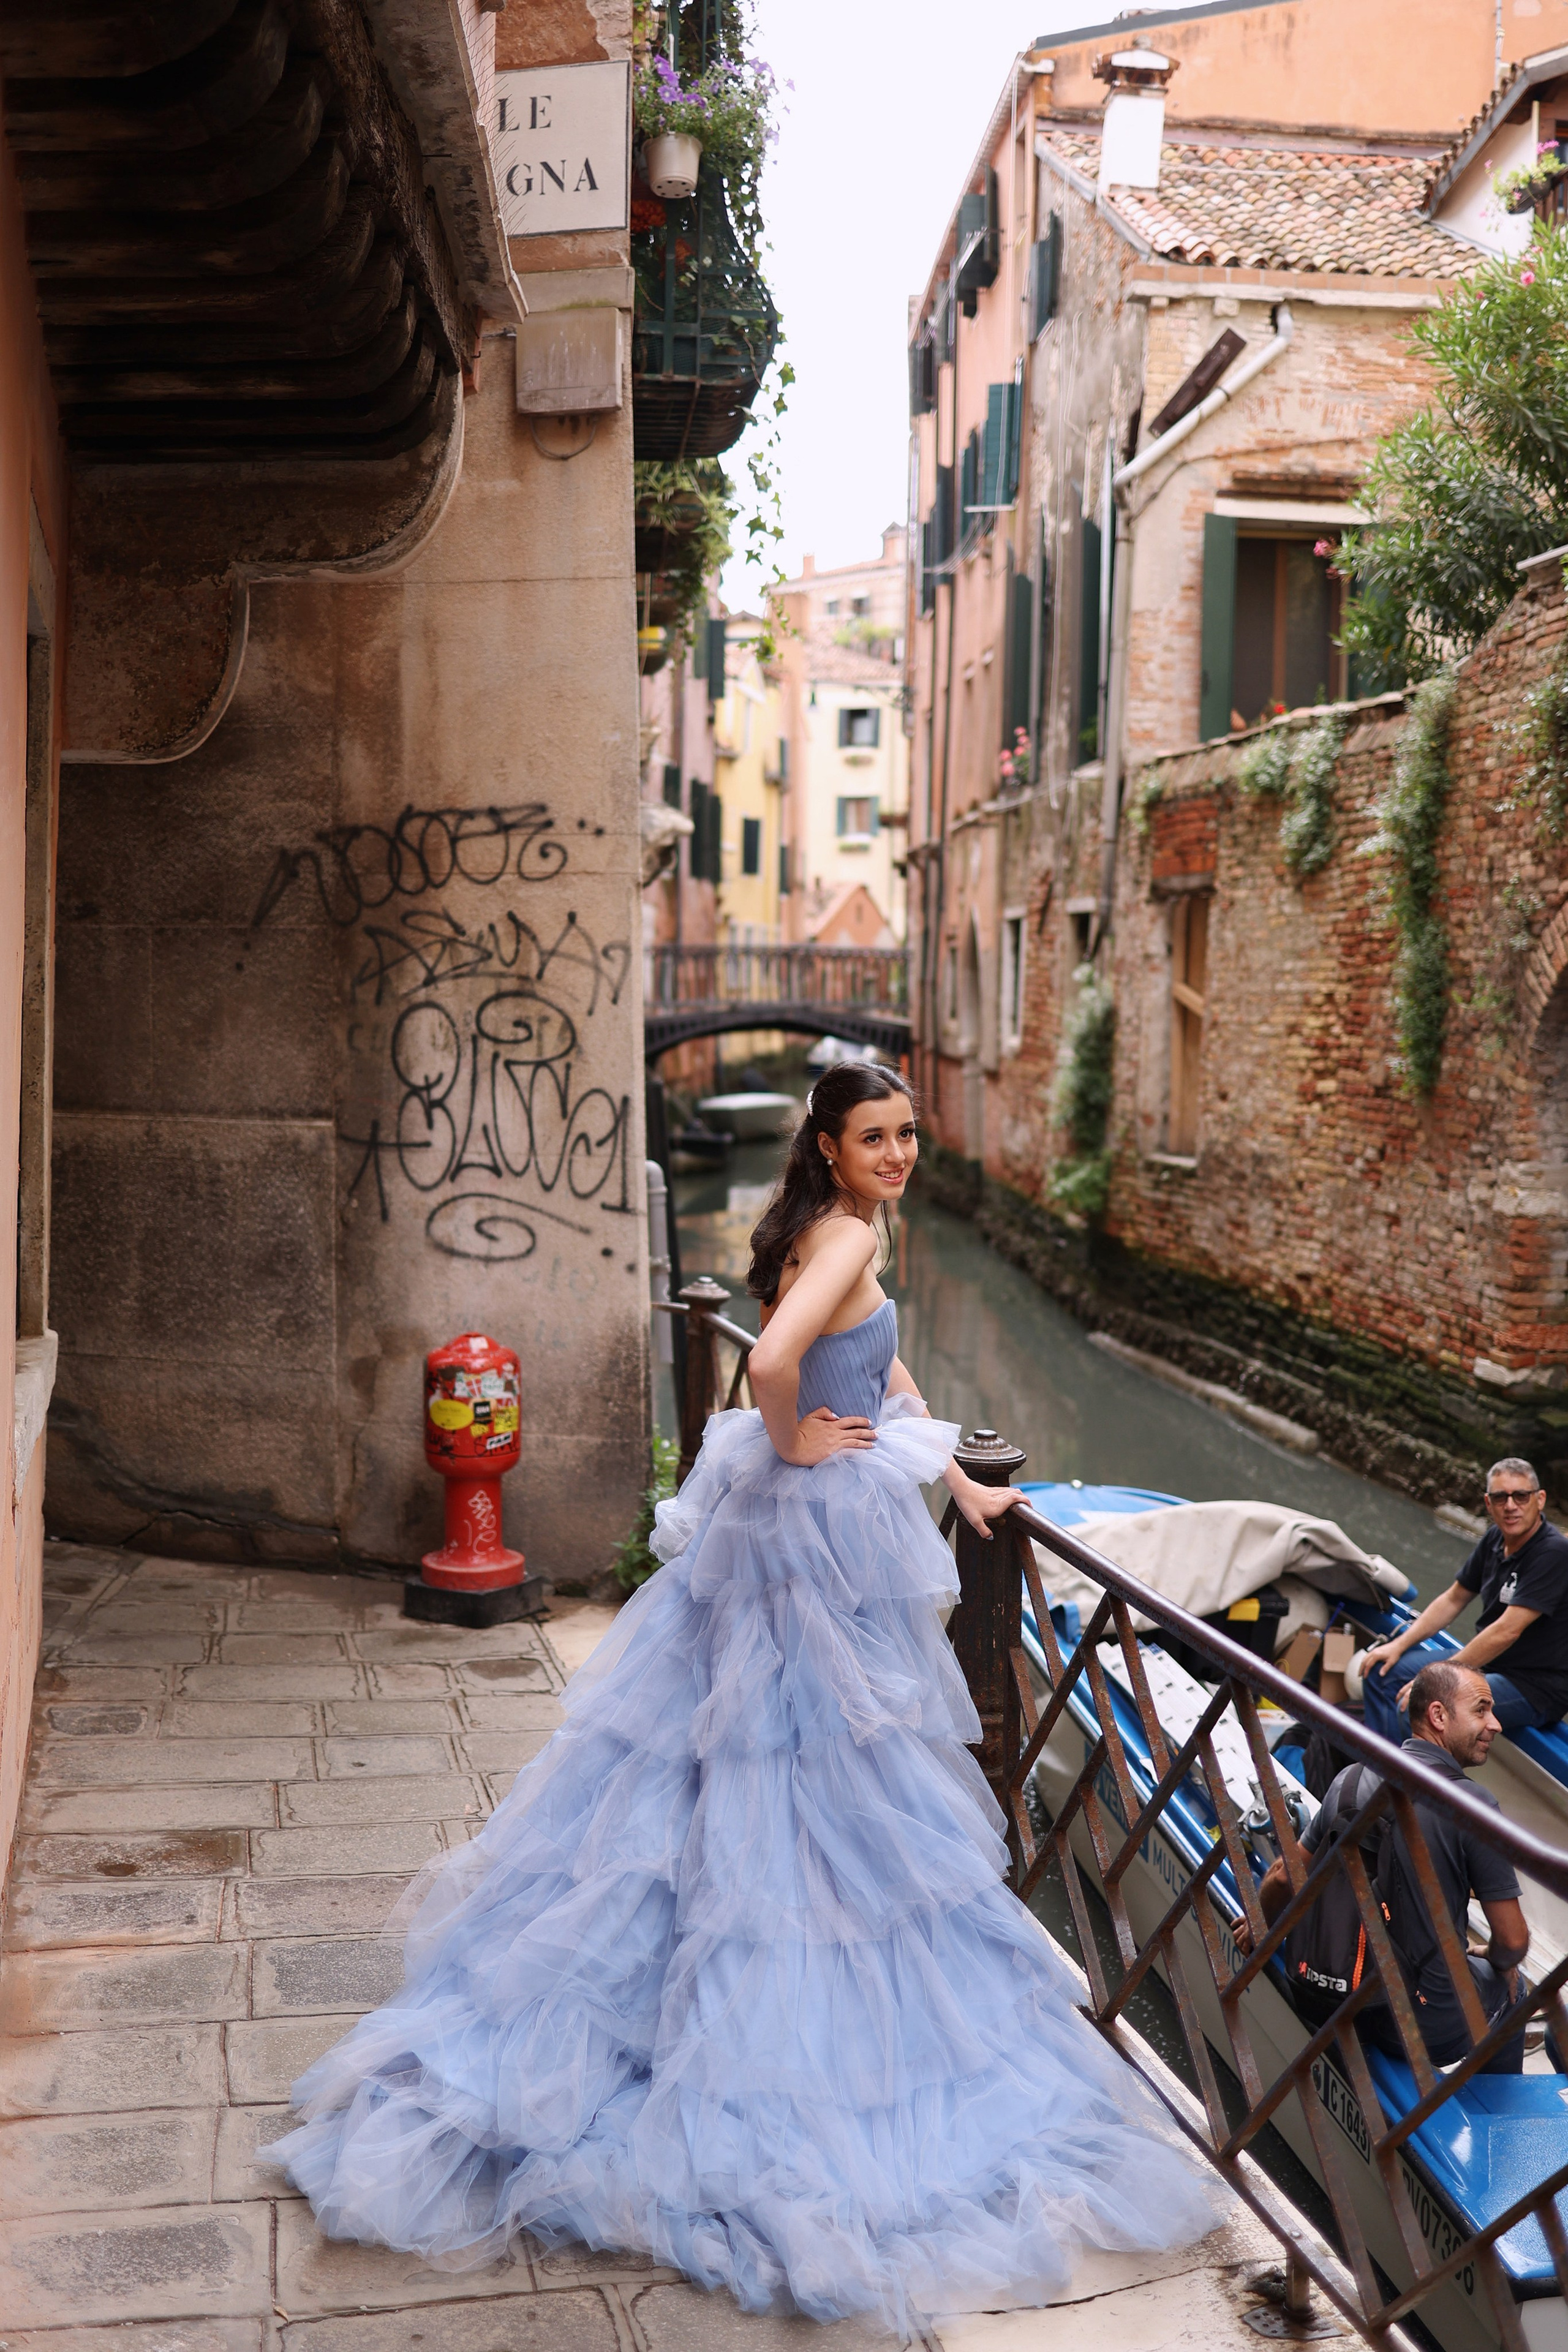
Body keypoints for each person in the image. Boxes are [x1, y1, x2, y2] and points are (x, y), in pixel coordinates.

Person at [263, 1061, 1221, 2332]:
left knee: (742, 1762)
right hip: (808, 1534)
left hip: (795, 1528)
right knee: (815, 1765)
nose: (897, 1156)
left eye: (906, 1136)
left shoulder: (823, 1233)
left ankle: (729, 1964)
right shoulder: (844, 1236)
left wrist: (964, 1482)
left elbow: (875, 1379)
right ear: (826, 1149)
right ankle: (780, 2020)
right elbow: (777, 1363)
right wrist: (790, 1439)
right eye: (873, 1139)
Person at [1241, 1661, 1529, 2071]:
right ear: (1438, 1716)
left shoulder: (1351, 1778)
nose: (1496, 1724)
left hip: (1332, 1996)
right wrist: (1497, 1959)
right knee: (1516, 1987)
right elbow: (1513, 1941)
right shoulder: (1475, 1808)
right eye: (1482, 1710)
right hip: (1418, 2029)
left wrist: (1259, 1923)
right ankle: (1500, 2116)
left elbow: (1285, 1877)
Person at [1360, 1457, 1568, 1744]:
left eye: (1521, 1496)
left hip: (1531, 1686)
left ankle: (1409, 1785)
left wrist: (1443, 1678)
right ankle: (1379, 1772)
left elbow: (1506, 1631)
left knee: (1423, 1706)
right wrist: (1398, 1644)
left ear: (1540, 1499)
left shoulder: (1554, 1552)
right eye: (1500, 1497)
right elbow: (1454, 1599)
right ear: (1488, 1503)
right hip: (1487, 1666)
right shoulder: (1495, 1538)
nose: (1510, 1506)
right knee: (1382, 1673)